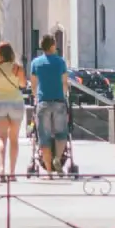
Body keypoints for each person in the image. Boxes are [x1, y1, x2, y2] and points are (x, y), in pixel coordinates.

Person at [28, 35, 70, 176]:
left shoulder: (36, 63)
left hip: (43, 102)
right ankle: (57, 158)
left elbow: (33, 84)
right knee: (61, 133)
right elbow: (65, 82)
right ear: (52, 46)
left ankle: (49, 172)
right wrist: (63, 95)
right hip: (58, 101)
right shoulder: (60, 62)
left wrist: (36, 96)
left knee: (43, 136)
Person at [0, 42, 27, 182]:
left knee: (1, 138)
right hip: (15, 103)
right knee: (14, 139)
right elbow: (23, 84)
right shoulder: (17, 68)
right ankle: (12, 173)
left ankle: (1, 169)